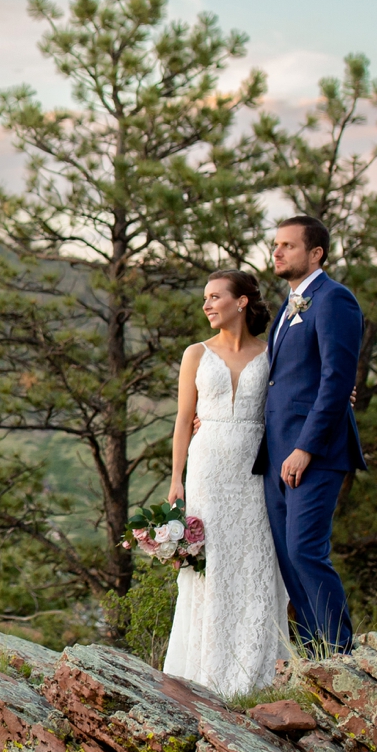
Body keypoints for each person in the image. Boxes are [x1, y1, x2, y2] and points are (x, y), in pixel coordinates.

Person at [159, 268, 290, 698]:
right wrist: (176, 479)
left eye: (215, 297)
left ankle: (255, 673)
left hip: (257, 470)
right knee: (211, 565)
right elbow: (182, 420)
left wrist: (343, 395)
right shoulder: (195, 353)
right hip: (208, 469)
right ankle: (205, 673)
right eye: (205, 298)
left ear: (241, 302)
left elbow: (301, 394)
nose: (207, 305)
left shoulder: (273, 352)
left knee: (255, 561)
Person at [259, 214, 367, 652]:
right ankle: (315, 655)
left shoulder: (334, 299)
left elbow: (338, 380)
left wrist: (305, 447)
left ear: (316, 253)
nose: (278, 252)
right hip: (274, 454)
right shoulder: (288, 307)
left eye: (288, 245)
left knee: (306, 551)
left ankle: (342, 654)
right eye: (275, 245)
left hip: (314, 453)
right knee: (288, 559)